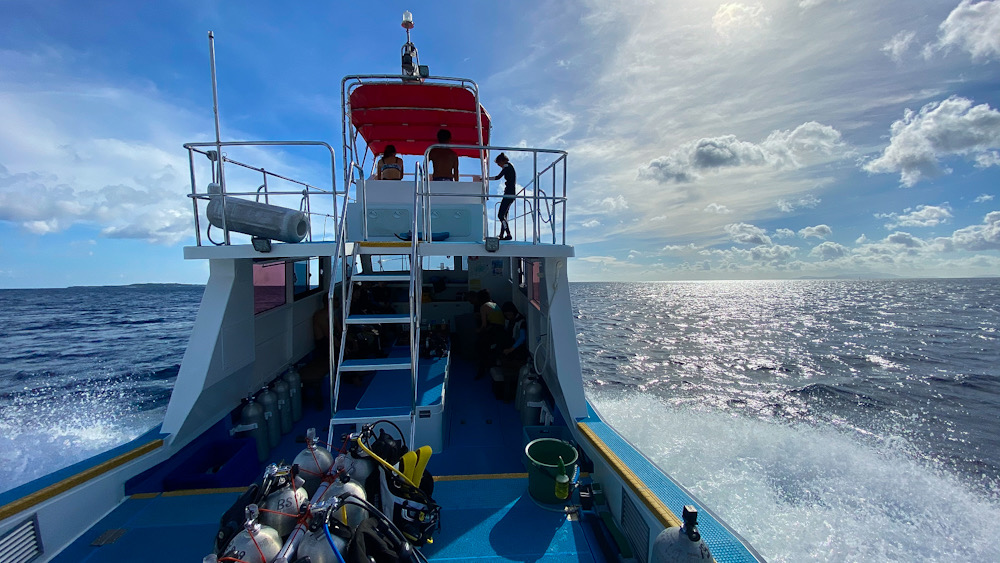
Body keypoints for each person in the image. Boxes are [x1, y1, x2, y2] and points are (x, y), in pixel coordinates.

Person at [474, 289, 505, 378]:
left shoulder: (483, 307)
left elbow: (484, 325)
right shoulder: (494, 304)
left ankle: (481, 370)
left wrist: (477, 331)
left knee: (479, 346)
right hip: (501, 330)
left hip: (494, 331)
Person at [491, 153, 516, 240]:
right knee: (504, 215)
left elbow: (498, 177)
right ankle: (502, 235)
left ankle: (508, 234)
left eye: (499, 164)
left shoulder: (507, 166)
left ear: (502, 161)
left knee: (500, 215)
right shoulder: (510, 166)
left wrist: (486, 178)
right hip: (511, 193)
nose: (499, 166)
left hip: (509, 193)